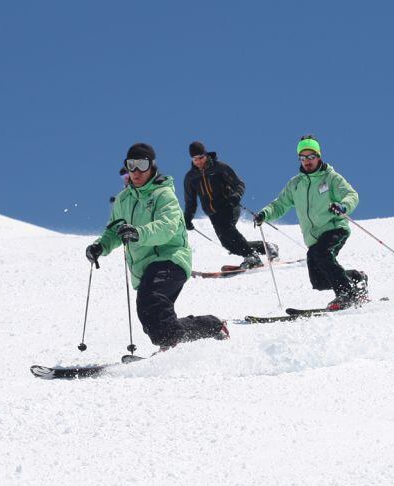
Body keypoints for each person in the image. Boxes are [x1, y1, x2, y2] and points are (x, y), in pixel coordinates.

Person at [86, 143, 228, 347]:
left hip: (171, 259)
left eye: (142, 165)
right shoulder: (123, 200)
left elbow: (167, 227)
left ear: (152, 166)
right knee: (151, 317)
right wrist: (100, 246)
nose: (136, 171)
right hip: (145, 269)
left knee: (150, 299)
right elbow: (114, 231)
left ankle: (174, 340)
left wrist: (138, 232)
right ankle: (204, 329)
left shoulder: (163, 194)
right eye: (131, 165)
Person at [253, 135, 368, 310]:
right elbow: (280, 204)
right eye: (303, 157)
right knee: (319, 281)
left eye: (311, 157)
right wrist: (265, 214)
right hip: (313, 238)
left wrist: (343, 206)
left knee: (323, 254)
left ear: (319, 156)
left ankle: (347, 294)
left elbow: (352, 195)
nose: (307, 161)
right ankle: (355, 277)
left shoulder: (331, 178)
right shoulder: (296, 184)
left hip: (334, 228)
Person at [183, 141, 277, 269]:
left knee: (227, 229)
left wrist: (235, 196)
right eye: (195, 159)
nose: (198, 161)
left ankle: (251, 256)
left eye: (201, 157)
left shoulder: (219, 168)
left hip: (229, 206)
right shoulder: (191, 178)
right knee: (228, 243)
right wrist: (187, 218)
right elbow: (190, 202)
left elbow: (239, 184)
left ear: (206, 155)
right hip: (213, 214)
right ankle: (267, 247)